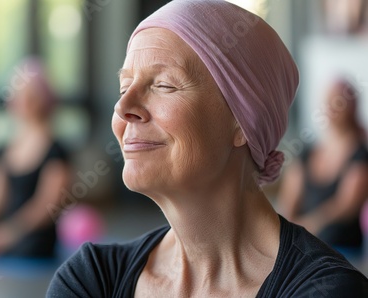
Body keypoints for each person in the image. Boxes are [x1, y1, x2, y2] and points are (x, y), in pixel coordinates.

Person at [47, 1, 368, 297]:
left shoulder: (328, 291)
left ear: (244, 122)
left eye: (163, 85)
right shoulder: (91, 281)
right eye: (124, 86)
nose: (123, 107)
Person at [0, 58, 71, 258]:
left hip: (30, 237)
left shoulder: (56, 152)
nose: (19, 101)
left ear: (41, 99)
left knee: (31, 248)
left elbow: (45, 207)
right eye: (16, 95)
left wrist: (1, 238)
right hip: (3, 231)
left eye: (27, 95)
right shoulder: (2, 152)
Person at [279, 79, 368, 250]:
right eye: (328, 101)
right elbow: (288, 202)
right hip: (303, 245)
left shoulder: (360, 156)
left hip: (341, 248)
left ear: (352, 107)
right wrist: (287, 232)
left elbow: (345, 206)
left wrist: (306, 226)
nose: (331, 106)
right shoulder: (306, 154)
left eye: (338, 101)